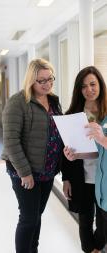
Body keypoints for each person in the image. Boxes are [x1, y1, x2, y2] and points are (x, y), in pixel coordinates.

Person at [1, 58, 63, 253]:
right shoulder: (18, 102)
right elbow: (11, 141)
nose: (47, 84)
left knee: (37, 215)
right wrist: (25, 173)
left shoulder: (53, 100)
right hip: (25, 171)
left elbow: (57, 132)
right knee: (28, 218)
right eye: (41, 81)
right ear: (31, 80)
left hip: (47, 170)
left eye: (50, 79)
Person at [62, 66, 107, 253]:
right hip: (82, 178)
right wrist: (66, 177)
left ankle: (96, 246)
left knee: (105, 223)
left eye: (93, 84)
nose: (89, 90)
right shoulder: (72, 115)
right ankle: (90, 250)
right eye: (83, 86)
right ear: (78, 90)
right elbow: (65, 151)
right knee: (85, 221)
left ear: (100, 85)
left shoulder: (106, 114)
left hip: (103, 180)